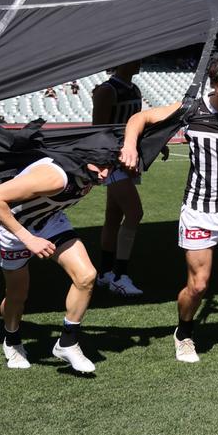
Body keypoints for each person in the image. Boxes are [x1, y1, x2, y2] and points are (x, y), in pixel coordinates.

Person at [121, 56, 218, 364]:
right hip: (198, 211)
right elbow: (139, 119)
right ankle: (183, 333)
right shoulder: (191, 109)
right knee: (198, 285)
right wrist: (130, 145)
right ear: (213, 85)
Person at [0, 153, 115, 373]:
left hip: (50, 221)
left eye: (110, 165)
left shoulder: (90, 172)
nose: (105, 173)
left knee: (86, 276)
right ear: (84, 158)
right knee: (17, 294)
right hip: (13, 229)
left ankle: (67, 343)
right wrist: (29, 239)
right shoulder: (55, 177)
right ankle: (12, 339)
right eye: (100, 165)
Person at [91, 61, 146, 296]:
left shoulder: (134, 90)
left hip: (127, 159)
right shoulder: (107, 90)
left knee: (113, 216)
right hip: (113, 161)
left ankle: (104, 273)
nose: (140, 61)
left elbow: (137, 125)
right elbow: (98, 129)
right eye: (136, 57)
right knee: (135, 213)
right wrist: (105, 161)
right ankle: (119, 275)